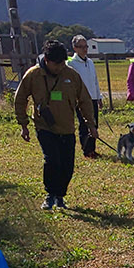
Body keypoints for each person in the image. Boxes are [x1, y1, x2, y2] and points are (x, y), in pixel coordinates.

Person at [14, 39, 96, 211]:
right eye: (56, 64)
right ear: (47, 61)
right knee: (52, 160)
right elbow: (20, 98)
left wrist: (91, 125)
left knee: (67, 164)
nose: (59, 68)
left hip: (66, 127)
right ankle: (50, 195)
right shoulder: (34, 75)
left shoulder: (71, 75)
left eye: (62, 64)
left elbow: (85, 100)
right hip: (45, 127)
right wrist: (23, 124)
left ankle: (60, 196)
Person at [66, 34, 103, 159]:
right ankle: (86, 150)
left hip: (92, 97)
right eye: (81, 47)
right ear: (75, 48)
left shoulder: (90, 62)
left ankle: (92, 148)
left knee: (94, 124)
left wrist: (99, 97)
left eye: (85, 46)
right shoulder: (71, 63)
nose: (84, 49)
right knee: (84, 124)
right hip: (80, 99)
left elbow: (95, 80)